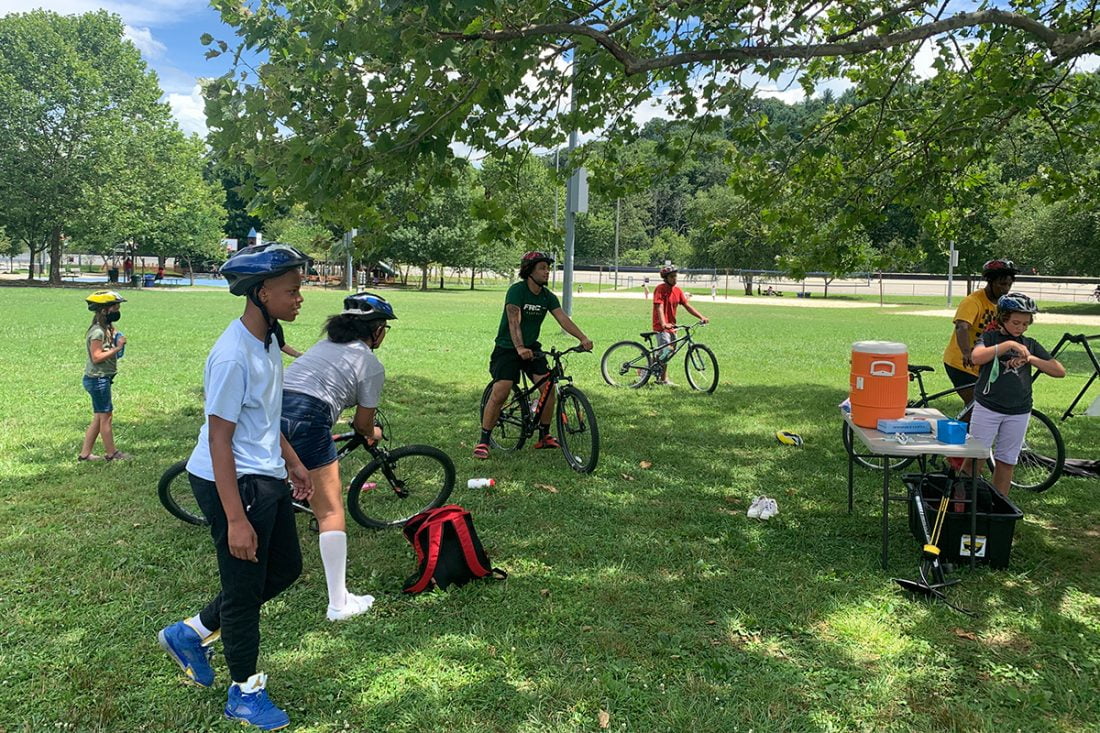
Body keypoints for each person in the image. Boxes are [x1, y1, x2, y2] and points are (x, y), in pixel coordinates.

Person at [158, 243, 314, 731]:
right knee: (243, 591)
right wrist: (235, 520)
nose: (300, 298)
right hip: (232, 480)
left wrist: (293, 461)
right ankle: (244, 693)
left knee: (286, 568)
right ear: (261, 292)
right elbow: (220, 439)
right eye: (292, 290)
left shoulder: (268, 338)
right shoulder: (231, 356)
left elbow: (264, 413)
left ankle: (193, 631)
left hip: (264, 473)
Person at [281, 292, 395, 621]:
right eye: (383, 328)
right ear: (375, 331)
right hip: (308, 416)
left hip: (271, 410)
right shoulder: (370, 364)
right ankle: (338, 605)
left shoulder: (322, 347)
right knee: (330, 511)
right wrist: (372, 434)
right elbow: (363, 423)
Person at [475, 251, 593, 459]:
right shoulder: (517, 291)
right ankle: (484, 440)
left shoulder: (547, 297)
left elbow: (563, 319)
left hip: (532, 347)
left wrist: (582, 338)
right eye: (542, 268)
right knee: (501, 391)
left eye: (548, 268)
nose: (547, 272)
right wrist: (519, 347)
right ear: (529, 271)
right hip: (507, 348)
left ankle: (544, 435)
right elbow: (514, 319)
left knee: (548, 386)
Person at [968, 293, 1065, 495]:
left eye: (1025, 324)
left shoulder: (1030, 344)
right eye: (1015, 322)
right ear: (1003, 318)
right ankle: (965, 501)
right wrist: (1009, 345)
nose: (1019, 328)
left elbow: (1059, 371)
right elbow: (976, 357)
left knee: (1007, 460)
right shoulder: (990, 337)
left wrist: (1030, 359)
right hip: (988, 407)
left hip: (1019, 410)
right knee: (975, 457)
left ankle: (999, 505)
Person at [942, 258, 1018, 407]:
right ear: (990, 281)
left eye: (1009, 284)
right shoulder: (973, 301)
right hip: (961, 362)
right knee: (976, 406)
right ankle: (961, 430)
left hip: (982, 364)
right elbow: (961, 327)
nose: (1006, 289)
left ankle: (967, 429)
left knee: (984, 406)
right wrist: (966, 353)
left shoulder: (1003, 305)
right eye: (1002, 284)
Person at [79, 290, 130, 461]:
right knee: (106, 417)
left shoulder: (104, 329)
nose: (118, 311)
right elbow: (96, 357)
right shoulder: (98, 333)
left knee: (98, 417)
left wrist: (115, 337)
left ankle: (85, 455)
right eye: (115, 307)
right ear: (104, 310)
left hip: (101, 378)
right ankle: (112, 453)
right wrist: (117, 348)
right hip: (97, 379)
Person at [652, 265, 709, 386]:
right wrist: (663, 323)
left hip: (672, 326)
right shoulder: (660, 289)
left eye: (675, 276)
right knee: (666, 350)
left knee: (668, 352)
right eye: (672, 277)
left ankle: (648, 369)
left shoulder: (677, 291)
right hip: (661, 326)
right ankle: (662, 379)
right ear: (666, 278)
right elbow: (659, 306)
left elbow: (687, 306)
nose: (674, 279)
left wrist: (701, 317)